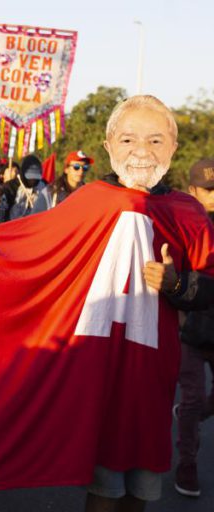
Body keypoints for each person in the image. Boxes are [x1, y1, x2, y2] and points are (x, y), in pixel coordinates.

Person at [83, 95, 214, 512]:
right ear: (108, 145)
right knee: (103, 485)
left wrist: (179, 284)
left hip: (154, 372)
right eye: (128, 139)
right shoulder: (88, 202)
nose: (142, 150)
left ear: (174, 147)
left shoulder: (187, 211)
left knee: (141, 486)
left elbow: (211, 284)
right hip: (98, 369)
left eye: (156, 140)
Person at [171, 158, 214, 498]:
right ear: (192, 190)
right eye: (209, 190)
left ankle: (194, 414)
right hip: (190, 327)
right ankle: (187, 464)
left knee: (198, 405)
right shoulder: (182, 223)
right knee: (193, 396)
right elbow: (172, 276)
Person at [9, 154, 47, 219]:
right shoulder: (11, 187)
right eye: (30, 177)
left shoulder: (44, 186)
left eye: (35, 176)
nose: (32, 180)